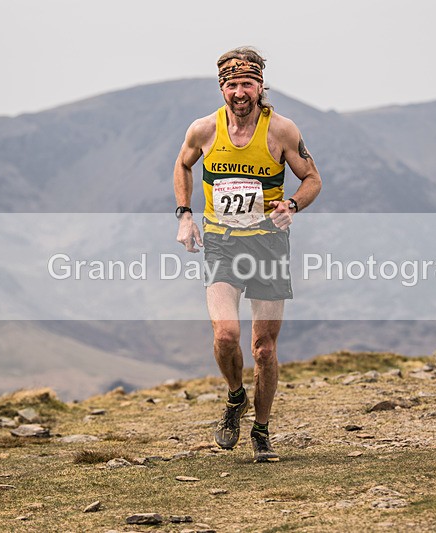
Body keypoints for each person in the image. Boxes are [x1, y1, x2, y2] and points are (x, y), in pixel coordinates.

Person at [173, 47, 322, 462]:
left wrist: (291, 206)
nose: (240, 92)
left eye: (247, 84)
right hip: (222, 244)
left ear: (260, 87)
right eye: (232, 84)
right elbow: (182, 166)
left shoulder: (282, 131)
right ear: (222, 88)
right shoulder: (204, 130)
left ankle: (261, 430)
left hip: (268, 245)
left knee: (264, 349)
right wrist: (185, 216)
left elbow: (312, 178)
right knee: (225, 335)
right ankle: (235, 397)